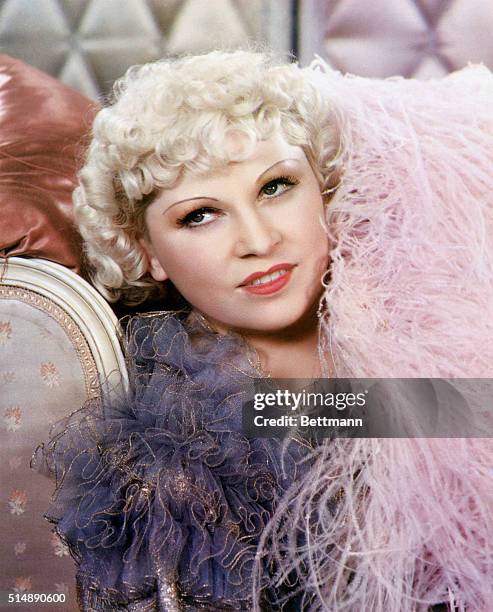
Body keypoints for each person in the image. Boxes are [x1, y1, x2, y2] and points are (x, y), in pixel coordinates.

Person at [39, 50, 493, 610]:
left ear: (322, 190)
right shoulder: (176, 435)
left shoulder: (422, 317)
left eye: (275, 187)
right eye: (199, 215)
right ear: (145, 250)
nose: (257, 240)